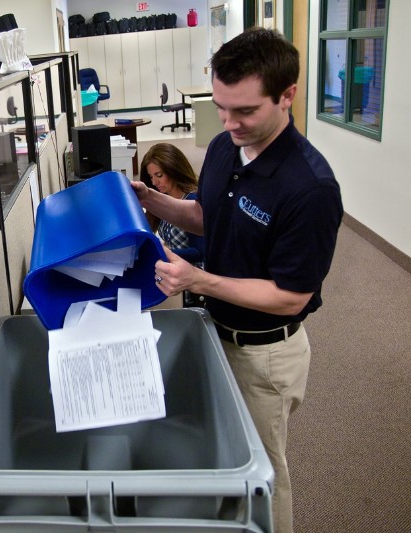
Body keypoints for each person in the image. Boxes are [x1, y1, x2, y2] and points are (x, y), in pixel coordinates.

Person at [131, 28, 343, 533]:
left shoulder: (309, 189)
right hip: (212, 330)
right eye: (221, 107)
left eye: (244, 111)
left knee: (262, 475)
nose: (229, 122)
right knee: (214, 449)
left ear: (287, 95)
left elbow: (292, 298)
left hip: (264, 352)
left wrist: (200, 279)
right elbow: (209, 216)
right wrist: (152, 200)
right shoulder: (227, 146)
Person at [140, 143, 205, 266]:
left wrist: (165, 253)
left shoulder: (191, 201)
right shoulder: (164, 198)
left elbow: (199, 252)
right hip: (174, 265)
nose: (154, 182)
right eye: (151, 177)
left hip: (193, 271)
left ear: (174, 170)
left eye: (159, 175)